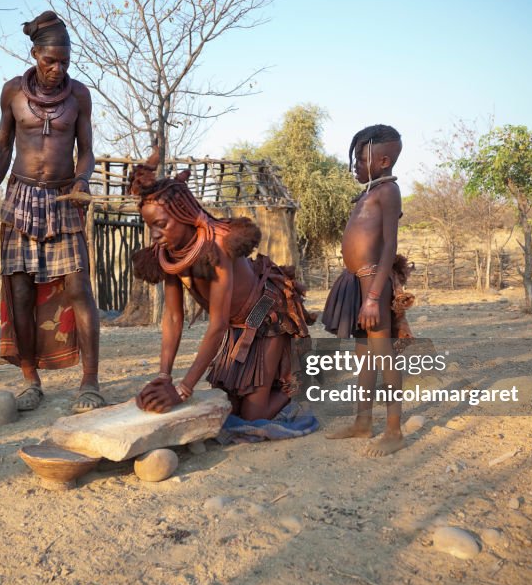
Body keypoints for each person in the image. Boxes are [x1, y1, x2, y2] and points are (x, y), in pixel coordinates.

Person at [0, 11, 104, 413]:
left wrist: (82, 181)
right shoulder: (12, 92)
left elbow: (87, 151)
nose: (57, 69)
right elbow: (2, 149)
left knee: (79, 288)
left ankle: (90, 383)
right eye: (50, 61)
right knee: (20, 292)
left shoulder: (79, 95)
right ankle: (30, 379)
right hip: (19, 199)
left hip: (63, 199)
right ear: (35, 55)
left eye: (64, 61)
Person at [129, 152, 314, 420]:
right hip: (236, 322)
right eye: (150, 227)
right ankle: (264, 381)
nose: (155, 235)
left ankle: (293, 384)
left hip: (265, 310)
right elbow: (172, 317)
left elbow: (217, 325)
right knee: (229, 406)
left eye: (161, 224)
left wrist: (183, 390)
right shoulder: (168, 254)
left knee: (252, 415)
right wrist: (164, 376)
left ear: (183, 214)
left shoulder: (218, 247)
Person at [321, 124, 415, 456]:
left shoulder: (388, 192)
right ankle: (363, 422)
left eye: (362, 160)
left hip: (373, 281)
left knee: (383, 355)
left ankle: (394, 430)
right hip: (358, 280)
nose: (355, 166)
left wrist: (374, 296)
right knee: (365, 357)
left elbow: (390, 245)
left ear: (384, 160)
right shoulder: (368, 192)